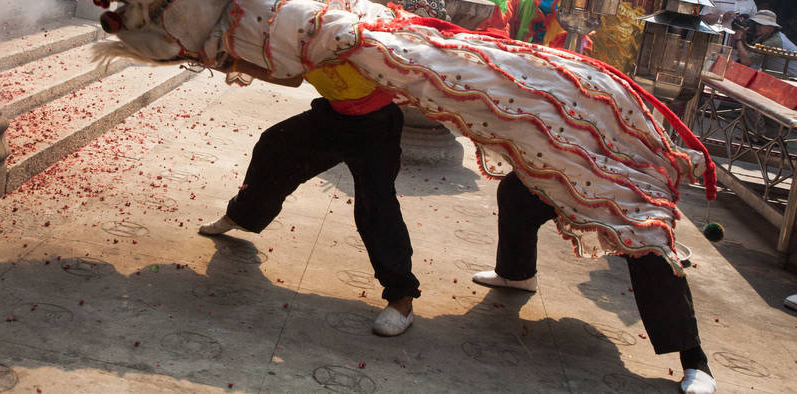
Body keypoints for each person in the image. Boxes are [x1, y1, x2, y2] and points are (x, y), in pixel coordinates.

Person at [199, 59, 420, 337]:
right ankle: (242, 216)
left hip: (376, 126)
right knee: (274, 145)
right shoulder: (294, 39)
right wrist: (232, 63)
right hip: (333, 116)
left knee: (375, 204)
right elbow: (291, 76)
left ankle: (402, 298)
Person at [472, 172, 717, 394]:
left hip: (626, 176)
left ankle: (695, 359)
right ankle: (516, 274)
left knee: (650, 241)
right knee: (517, 190)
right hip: (572, 164)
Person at [734, 9, 797, 74]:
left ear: (771, 28)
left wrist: (739, 39)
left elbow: (746, 61)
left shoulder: (774, 41)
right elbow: (743, 55)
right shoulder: (764, 36)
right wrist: (743, 38)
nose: (757, 27)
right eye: (756, 24)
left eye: (761, 24)